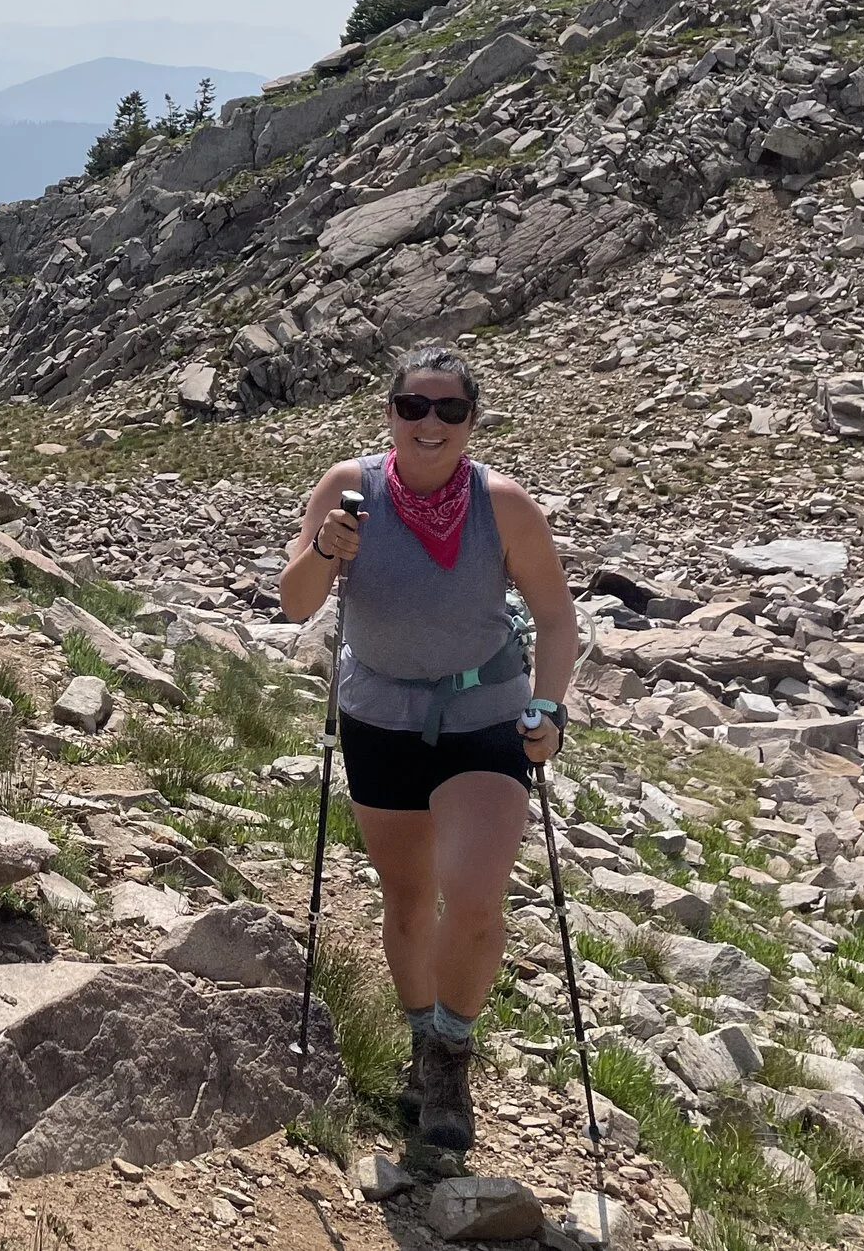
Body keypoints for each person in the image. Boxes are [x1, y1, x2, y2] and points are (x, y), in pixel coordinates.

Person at [279, 343, 578, 1154]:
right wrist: (326, 548)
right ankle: (420, 1041)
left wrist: (550, 705)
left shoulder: (503, 504)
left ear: (473, 421)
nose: (431, 422)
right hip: (379, 713)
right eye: (414, 405)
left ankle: (450, 1056)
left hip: (485, 712)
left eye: (450, 408)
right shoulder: (348, 490)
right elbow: (296, 602)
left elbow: (556, 616)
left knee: (474, 897)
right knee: (407, 895)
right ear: (390, 414)